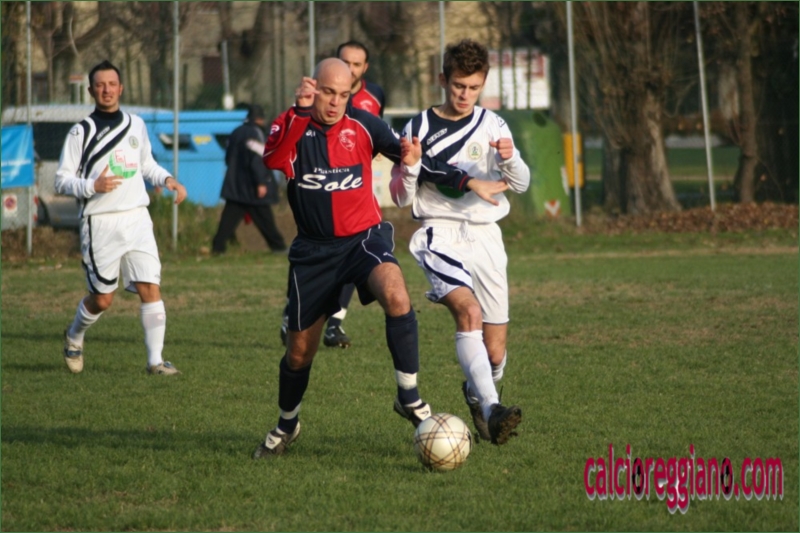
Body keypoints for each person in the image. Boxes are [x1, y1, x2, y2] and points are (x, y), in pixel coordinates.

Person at [252, 58, 479, 459]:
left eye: (344, 94)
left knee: (397, 295)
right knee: (299, 353)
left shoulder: (363, 124)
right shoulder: (291, 123)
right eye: (328, 92)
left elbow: (411, 158)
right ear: (313, 88)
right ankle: (287, 424)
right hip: (314, 252)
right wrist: (299, 113)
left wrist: (465, 179)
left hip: (363, 238)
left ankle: (408, 396)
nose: (335, 102)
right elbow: (272, 159)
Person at [391, 39, 530, 445]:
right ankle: (492, 408)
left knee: (496, 353)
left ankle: (476, 393)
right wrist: (411, 168)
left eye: (473, 87)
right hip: (439, 233)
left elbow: (521, 184)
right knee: (468, 312)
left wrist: (510, 159)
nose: (465, 95)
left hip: (487, 236)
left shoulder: (494, 125)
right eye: (458, 86)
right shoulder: (418, 127)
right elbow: (399, 197)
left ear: (482, 83)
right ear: (442, 80)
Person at [55, 60, 187, 376]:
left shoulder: (136, 124)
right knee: (102, 299)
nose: (107, 90)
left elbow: (146, 164)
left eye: (112, 84)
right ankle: (74, 335)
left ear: (121, 88)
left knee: (150, 287)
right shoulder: (80, 132)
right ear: (91, 91)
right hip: (100, 221)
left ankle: (155, 361)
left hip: (137, 218)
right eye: (100, 85)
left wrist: (167, 179)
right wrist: (92, 186)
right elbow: (61, 181)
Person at [279, 41, 386, 350]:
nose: (349, 69)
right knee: (314, 240)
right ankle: (294, 308)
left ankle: (336, 320)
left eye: (356, 64)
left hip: (355, 180)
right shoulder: (313, 104)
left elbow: (377, 135)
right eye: (344, 62)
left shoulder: (374, 96)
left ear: (364, 69)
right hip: (319, 183)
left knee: (356, 244)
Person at [212, 104, 287, 255]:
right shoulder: (255, 133)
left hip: (236, 184)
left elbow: (228, 158)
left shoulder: (237, 131)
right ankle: (278, 247)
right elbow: (257, 159)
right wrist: (261, 182)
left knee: (229, 218)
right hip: (251, 186)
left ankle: (218, 247)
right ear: (260, 119)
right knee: (264, 218)